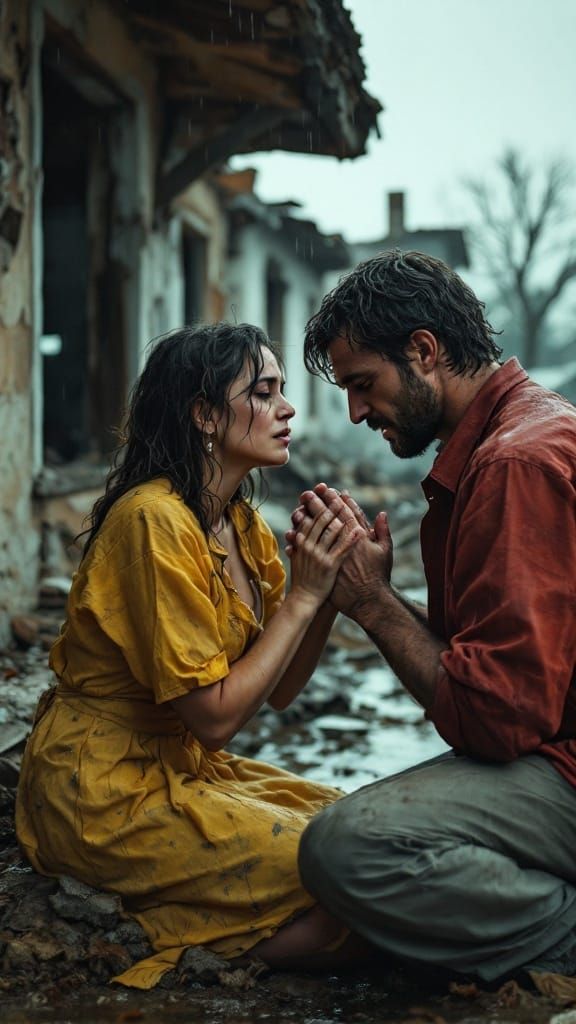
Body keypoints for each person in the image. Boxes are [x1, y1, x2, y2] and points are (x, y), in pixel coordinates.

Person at [16, 322, 366, 990]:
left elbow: (281, 688)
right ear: (205, 415)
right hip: (102, 790)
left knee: (357, 836)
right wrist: (304, 598)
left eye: (282, 391)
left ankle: (200, 916)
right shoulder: (152, 521)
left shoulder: (239, 524)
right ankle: (175, 941)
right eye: (264, 392)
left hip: (185, 766)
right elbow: (213, 716)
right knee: (346, 891)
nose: (288, 408)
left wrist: (333, 591)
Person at [291, 250, 576, 985]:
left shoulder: (516, 462)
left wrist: (374, 607)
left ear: (424, 351)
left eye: (364, 385)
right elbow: (486, 655)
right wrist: (374, 598)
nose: (355, 413)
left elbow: (497, 721)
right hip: (554, 748)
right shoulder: (514, 436)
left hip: (562, 767)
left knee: (346, 847)